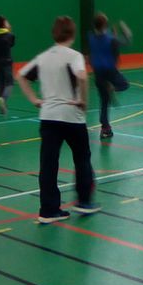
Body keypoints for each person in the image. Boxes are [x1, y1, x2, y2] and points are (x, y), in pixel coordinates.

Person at [17, 16, 100, 222]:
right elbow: (82, 77)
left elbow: (20, 75)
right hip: (72, 117)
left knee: (48, 164)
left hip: (49, 117)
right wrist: (83, 101)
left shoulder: (43, 57)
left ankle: (48, 210)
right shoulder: (74, 56)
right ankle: (84, 202)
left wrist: (35, 99)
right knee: (82, 159)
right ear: (72, 34)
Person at [89, 12, 130, 140]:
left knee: (104, 101)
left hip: (98, 72)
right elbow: (127, 40)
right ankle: (112, 87)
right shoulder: (111, 39)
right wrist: (124, 29)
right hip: (110, 71)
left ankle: (105, 128)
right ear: (105, 24)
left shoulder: (90, 37)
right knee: (124, 84)